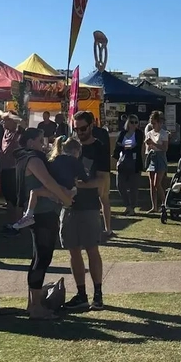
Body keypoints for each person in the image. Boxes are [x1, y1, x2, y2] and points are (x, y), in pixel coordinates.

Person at [17, 129, 78, 319]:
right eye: (39, 140)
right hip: (42, 214)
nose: (43, 144)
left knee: (38, 257)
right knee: (42, 258)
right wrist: (65, 198)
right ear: (30, 143)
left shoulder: (26, 158)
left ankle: (32, 303)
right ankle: (35, 307)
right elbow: (48, 182)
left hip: (41, 212)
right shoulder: (33, 160)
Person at [62, 111, 111, 310]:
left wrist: (78, 186)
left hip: (90, 206)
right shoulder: (68, 146)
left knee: (92, 249)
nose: (79, 132)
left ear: (91, 126)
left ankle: (97, 294)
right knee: (73, 251)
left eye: (83, 128)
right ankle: (81, 294)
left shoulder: (99, 148)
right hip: (69, 206)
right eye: (76, 128)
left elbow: (101, 180)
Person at [115, 115, 144, 216]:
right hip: (122, 162)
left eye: (136, 122)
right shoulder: (123, 133)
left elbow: (137, 145)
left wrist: (124, 146)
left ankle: (132, 207)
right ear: (128, 123)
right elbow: (117, 145)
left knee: (133, 187)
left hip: (134, 163)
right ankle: (127, 205)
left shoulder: (139, 133)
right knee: (120, 185)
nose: (134, 124)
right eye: (132, 122)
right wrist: (124, 147)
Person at [91, 117, 114, 240]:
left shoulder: (89, 134)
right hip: (105, 169)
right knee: (105, 199)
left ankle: (97, 228)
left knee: (95, 200)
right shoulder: (103, 132)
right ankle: (108, 228)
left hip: (95, 170)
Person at [0, 111, 23, 219]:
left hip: (14, 169)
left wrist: (11, 116)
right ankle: (11, 221)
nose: (3, 122)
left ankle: (17, 223)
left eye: (6, 120)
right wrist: (4, 115)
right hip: (5, 168)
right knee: (6, 194)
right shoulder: (6, 131)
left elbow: (22, 122)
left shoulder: (18, 132)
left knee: (14, 197)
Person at [144, 110, 170, 213]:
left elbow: (165, 148)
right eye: (151, 123)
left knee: (157, 183)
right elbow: (148, 148)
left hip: (160, 157)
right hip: (152, 157)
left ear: (159, 122)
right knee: (151, 184)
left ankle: (165, 204)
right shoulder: (149, 133)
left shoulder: (163, 133)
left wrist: (153, 144)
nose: (152, 125)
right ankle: (154, 206)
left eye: (154, 123)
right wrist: (148, 144)